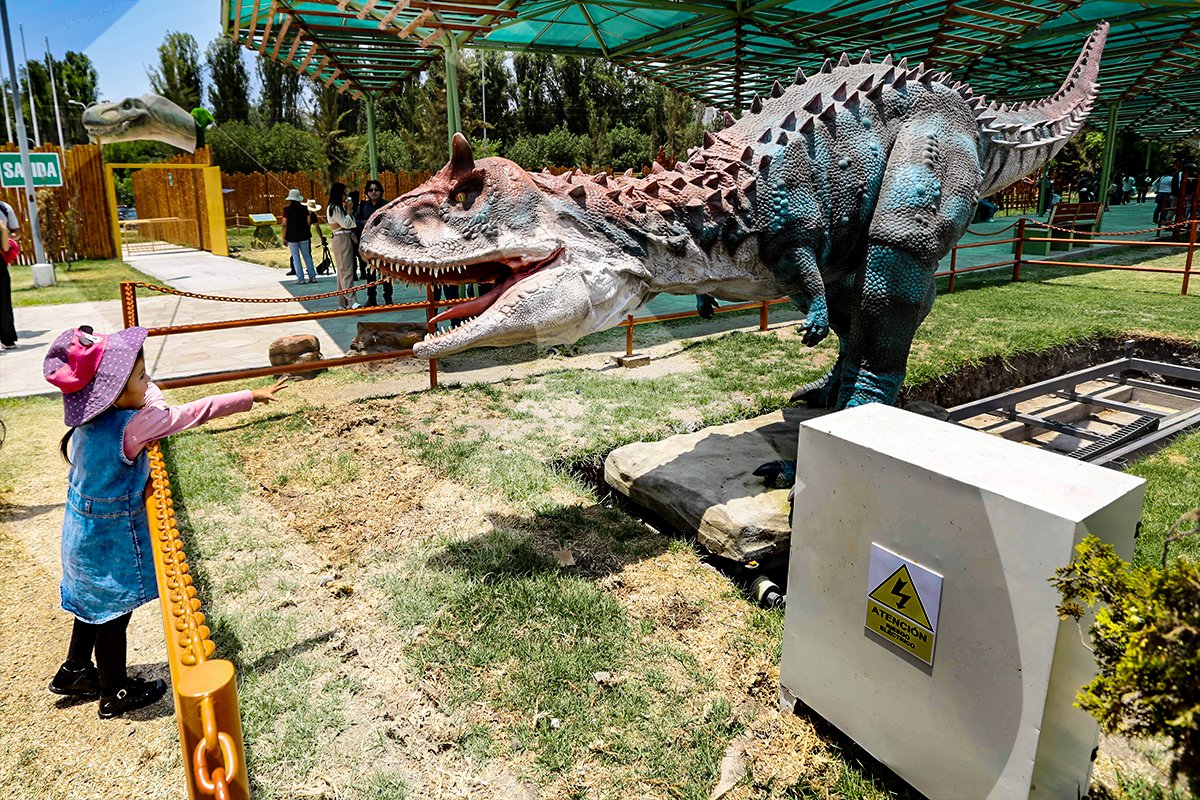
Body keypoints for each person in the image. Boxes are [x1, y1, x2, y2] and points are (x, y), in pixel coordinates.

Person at [43, 325, 288, 718]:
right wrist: (250, 396)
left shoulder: (93, 417)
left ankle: (74, 670)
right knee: (112, 614)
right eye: (142, 376)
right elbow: (190, 413)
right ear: (115, 393)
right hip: (107, 538)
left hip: (79, 532)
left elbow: (148, 397)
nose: (149, 381)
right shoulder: (134, 424)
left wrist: (140, 385)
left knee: (90, 604)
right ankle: (114, 692)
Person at [355, 180, 393, 306]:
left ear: (381, 191)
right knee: (370, 273)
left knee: (386, 272)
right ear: (367, 192)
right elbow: (356, 222)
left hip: (384, 243)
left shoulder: (387, 206)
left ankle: (388, 297)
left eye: (376, 189)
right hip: (369, 244)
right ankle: (371, 298)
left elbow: (393, 222)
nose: (373, 192)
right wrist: (369, 223)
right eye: (370, 190)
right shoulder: (362, 206)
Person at [326, 182, 359, 310]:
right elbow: (346, 223)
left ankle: (343, 302)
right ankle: (351, 300)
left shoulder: (338, 207)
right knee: (346, 270)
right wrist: (349, 210)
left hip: (345, 237)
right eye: (344, 193)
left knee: (342, 271)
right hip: (341, 238)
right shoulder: (334, 208)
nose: (346, 196)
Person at [281, 189, 324, 285]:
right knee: (307, 256)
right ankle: (312, 277)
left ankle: (300, 278)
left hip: (292, 236)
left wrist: (284, 237)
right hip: (304, 235)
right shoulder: (305, 209)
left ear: (290, 199)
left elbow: (284, 224)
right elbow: (308, 222)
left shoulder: (286, 210)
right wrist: (305, 231)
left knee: (296, 257)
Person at [0, 199, 19, 351]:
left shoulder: (5, 208)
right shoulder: (1, 222)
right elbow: (6, 248)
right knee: (4, 301)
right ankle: (7, 339)